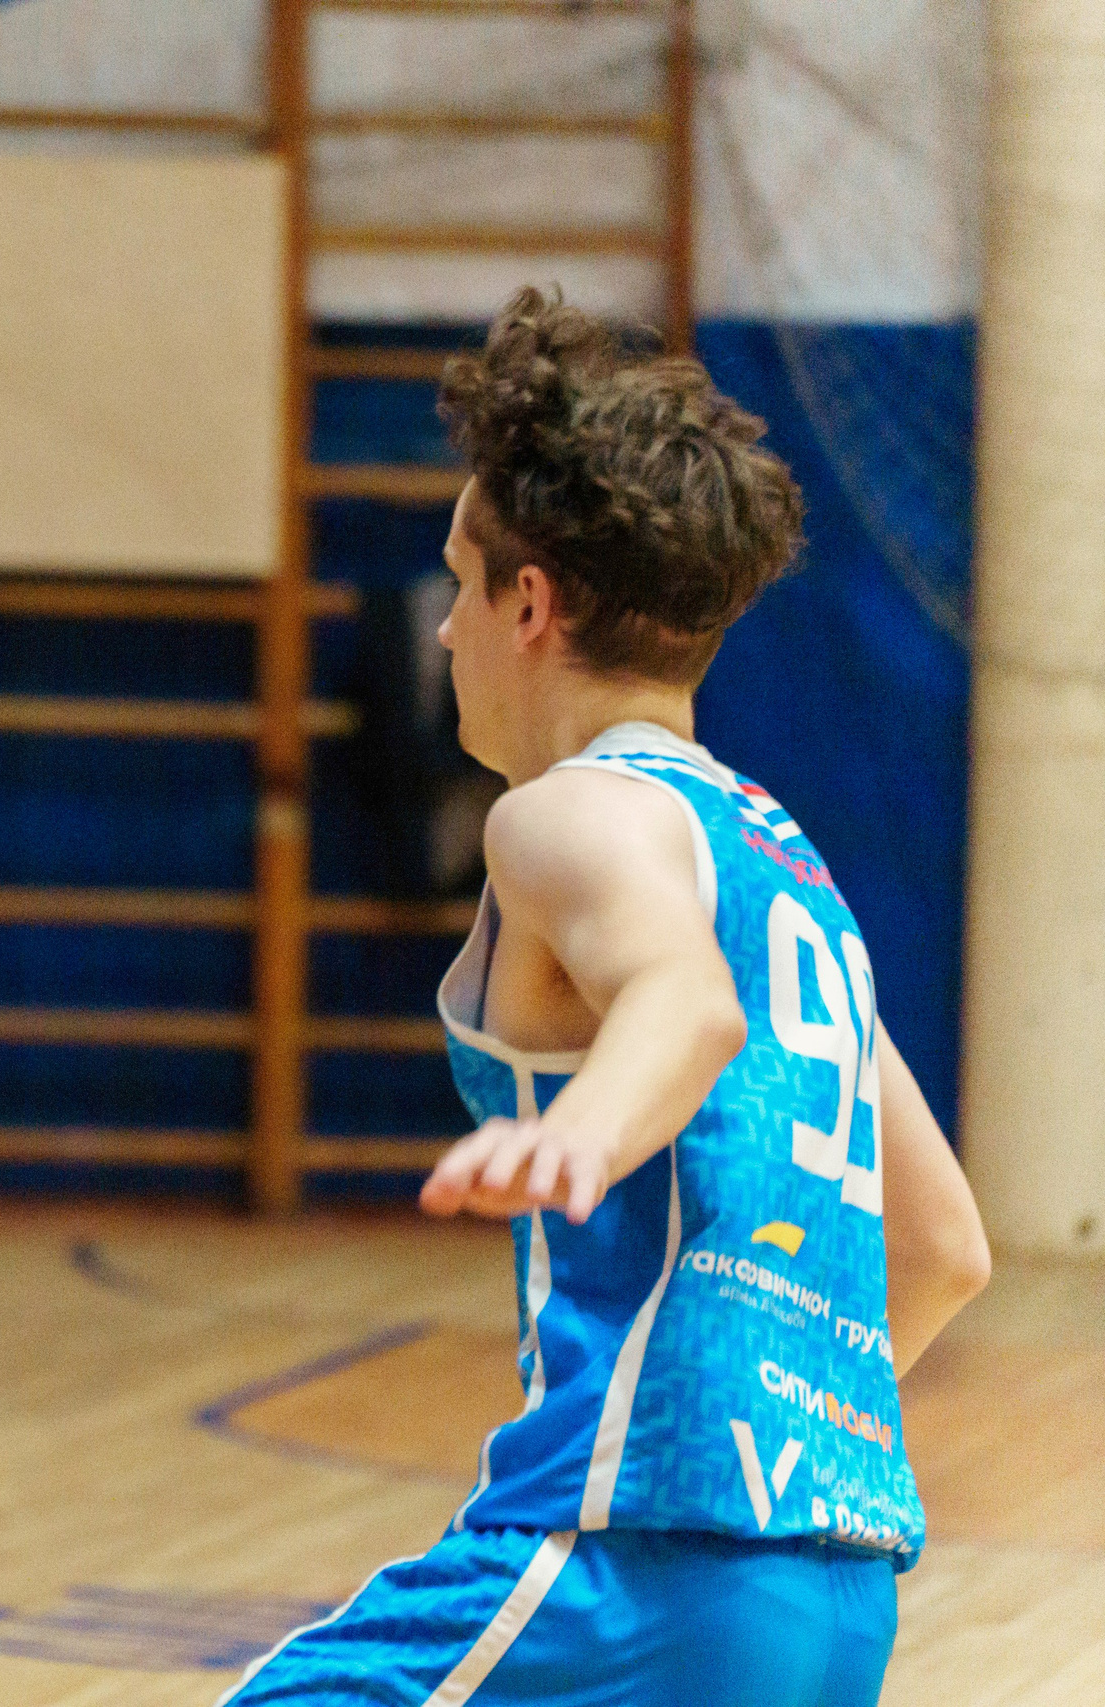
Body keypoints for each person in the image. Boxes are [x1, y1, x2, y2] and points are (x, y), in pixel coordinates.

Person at [222, 290, 991, 1707]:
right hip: (833, 1583)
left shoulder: (563, 813)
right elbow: (944, 1242)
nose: (444, 629)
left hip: (629, 1560)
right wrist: (790, 1440)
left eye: (460, 584)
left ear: (532, 603)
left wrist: (581, 1137)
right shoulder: (786, 862)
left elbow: (684, 1003)